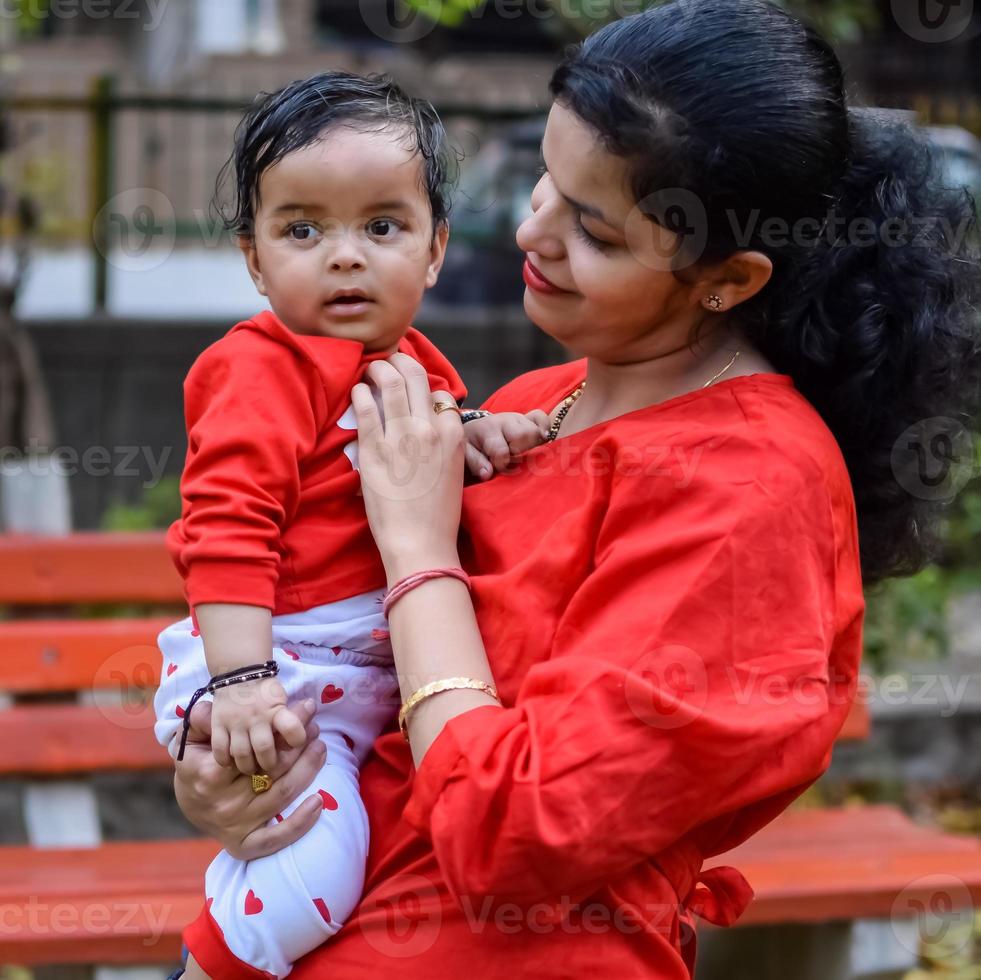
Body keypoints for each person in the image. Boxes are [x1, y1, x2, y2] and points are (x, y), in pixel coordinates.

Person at [167, 1, 981, 977]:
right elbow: (365, 693)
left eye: (592, 229)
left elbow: (510, 835)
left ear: (728, 276)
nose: (530, 229)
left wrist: (419, 551)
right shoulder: (533, 402)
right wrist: (234, 776)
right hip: (317, 907)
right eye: (548, 180)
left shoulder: (752, 496)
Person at [153, 70, 550, 979]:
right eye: (302, 229)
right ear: (253, 258)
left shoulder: (415, 362)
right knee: (317, 876)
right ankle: (207, 968)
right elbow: (226, 525)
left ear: (435, 248)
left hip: (361, 676)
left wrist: (482, 432)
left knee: (340, 855)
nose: (345, 256)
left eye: (382, 227)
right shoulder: (261, 367)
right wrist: (244, 678)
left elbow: (423, 456)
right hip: (277, 665)